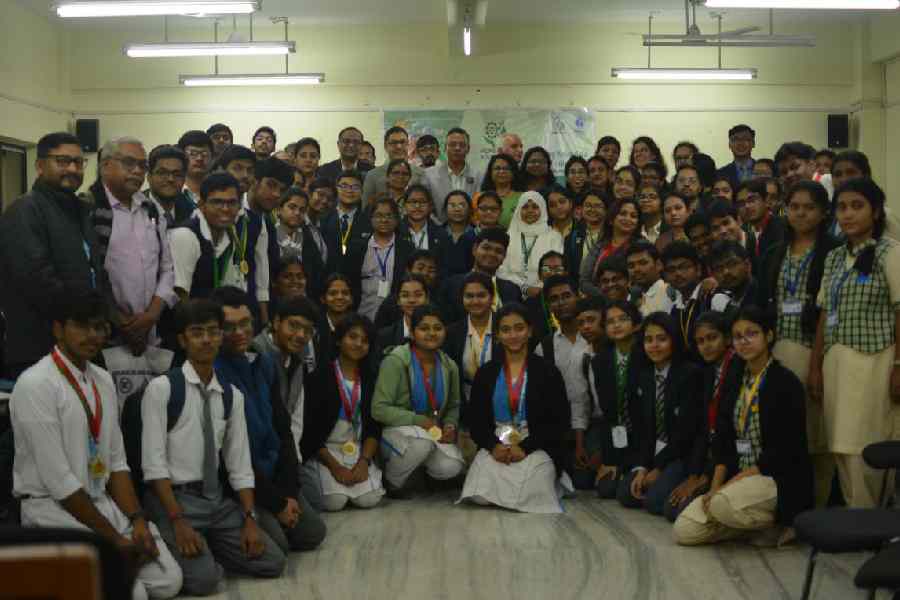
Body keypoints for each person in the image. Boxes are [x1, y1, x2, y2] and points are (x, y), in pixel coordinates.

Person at [11, 291, 182, 600]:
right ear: (58, 329)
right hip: (50, 510)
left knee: (169, 580)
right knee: (136, 593)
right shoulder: (35, 384)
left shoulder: (102, 379)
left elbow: (117, 462)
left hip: (100, 503)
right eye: (82, 326)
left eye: (100, 327)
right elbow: (60, 483)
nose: (93, 335)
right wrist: (114, 540)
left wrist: (137, 520)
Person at [141, 299, 286, 595]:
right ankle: (186, 543)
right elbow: (153, 466)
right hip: (176, 500)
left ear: (221, 336)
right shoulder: (163, 390)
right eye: (197, 332)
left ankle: (212, 545)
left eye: (213, 331)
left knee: (273, 562)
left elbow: (239, 465)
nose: (206, 339)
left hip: (216, 502)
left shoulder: (231, 396)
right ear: (183, 340)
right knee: (204, 582)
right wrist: (177, 520)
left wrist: (248, 518)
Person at [674, 306, 813, 548]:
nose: (744, 341)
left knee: (721, 504)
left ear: (768, 336)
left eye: (752, 333)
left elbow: (783, 453)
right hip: (736, 482)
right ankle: (746, 527)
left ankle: (782, 521)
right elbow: (724, 441)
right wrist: (714, 487)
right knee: (684, 530)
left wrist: (727, 486)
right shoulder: (735, 378)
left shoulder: (785, 383)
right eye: (738, 336)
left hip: (774, 479)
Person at [212, 288, 326, 554]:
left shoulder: (263, 363)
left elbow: (283, 429)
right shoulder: (214, 373)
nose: (239, 332)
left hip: (272, 471)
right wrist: (276, 503)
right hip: (243, 482)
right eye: (229, 326)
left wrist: (287, 492)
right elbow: (232, 458)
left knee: (313, 533)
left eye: (245, 323)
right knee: (280, 547)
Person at [809, 178, 900, 508]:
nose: (847, 215)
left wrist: (899, 367)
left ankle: (871, 519)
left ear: (875, 212)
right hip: (836, 363)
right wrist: (816, 365)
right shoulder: (833, 258)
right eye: (842, 208)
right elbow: (823, 314)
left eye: (857, 206)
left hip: (875, 361)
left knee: (868, 443)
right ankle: (855, 514)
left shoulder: (890, 253)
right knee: (840, 442)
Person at [0, 132, 109, 378]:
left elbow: (95, 272)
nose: (72, 168)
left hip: (82, 340)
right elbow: (38, 280)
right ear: (40, 166)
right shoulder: (24, 210)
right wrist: (82, 322)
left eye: (78, 163)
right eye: (62, 161)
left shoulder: (80, 209)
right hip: (41, 346)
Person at [756, 180, 838, 507]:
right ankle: (788, 506)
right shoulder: (775, 252)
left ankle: (819, 505)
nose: (801, 213)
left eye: (809, 207)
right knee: (786, 435)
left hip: (816, 351)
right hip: (778, 351)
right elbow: (764, 301)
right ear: (785, 210)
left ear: (822, 213)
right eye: (795, 207)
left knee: (817, 434)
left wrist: (816, 364)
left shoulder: (832, 252)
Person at [459, 303, 570, 513]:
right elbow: (477, 422)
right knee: (479, 496)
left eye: (519, 328)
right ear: (498, 335)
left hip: (536, 443)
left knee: (534, 488)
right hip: (497, 442)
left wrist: (525, 447)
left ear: (529, 331)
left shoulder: (548, 371)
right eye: (506, 330)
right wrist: (493, 446)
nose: (513, 335)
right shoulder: (486, 372)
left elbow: (559, 421)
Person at [89, 137, 176, 356]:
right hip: (103, 334)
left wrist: (152, 315)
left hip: (151, 332)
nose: (137, 171)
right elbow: (88, 273)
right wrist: (122, 322)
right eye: (129, 163)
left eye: (142, 165)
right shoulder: (87, 209)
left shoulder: (151, 210)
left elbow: (167, 269)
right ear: (105, 165)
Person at [372, 305, 465, 496]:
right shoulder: (396, 360)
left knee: (453, 466)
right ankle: (392, 482)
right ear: (413, 333)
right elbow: (379, 409)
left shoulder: (450, 366)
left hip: (433, 432)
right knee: (421, 443)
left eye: (437, 328)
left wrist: (449, 425)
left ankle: (419, 475)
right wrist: (418, 421)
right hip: (396, 431)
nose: (431, 333)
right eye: (424, 328)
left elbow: (454, 406)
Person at [616, 312, 702, 515]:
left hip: (681, 452)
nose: (654, 345)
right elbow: (643, 429)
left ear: (674, 340)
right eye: (648, 340)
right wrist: (642, 468)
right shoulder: (644, 376)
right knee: (625, 493)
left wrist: (659, 469)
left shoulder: (689, 374)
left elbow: (686, 433)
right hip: (654, 451)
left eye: (662, 339)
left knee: (654, 503)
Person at [301, 314, 385, 511]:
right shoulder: (318, 378)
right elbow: (310, 432)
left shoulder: (371, 379)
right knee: (334, 502)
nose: (358, 344)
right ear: (339, 340)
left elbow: (374, 427)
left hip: (358, 450)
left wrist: (364, 462)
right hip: (325, 451)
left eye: (365, 341)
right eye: (352, 337)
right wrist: (335, 467)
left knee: (369, 499)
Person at [663, 312, 736, 522]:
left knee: (681, 511)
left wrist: (706, 478)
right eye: (700, 341)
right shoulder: (707, 373)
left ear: (727, 339)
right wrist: (695, 475)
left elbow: (726, 432)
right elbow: (703, 430)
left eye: (712, 338)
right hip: (710, 459)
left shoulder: (736, 370)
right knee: (669, 508)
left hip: (732, 460)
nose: (706, 346)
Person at [578, 300, 642, 497]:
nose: (616, 325)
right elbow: (607, 412)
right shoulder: (600, 361)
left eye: (623, 319)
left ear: (637, 324)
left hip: (644, 435)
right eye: (610, 321)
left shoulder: (647, 354)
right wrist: (610, 460)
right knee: (603, 488)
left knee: (627, 494)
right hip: (616, 432)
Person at [169, 173, 245, 302]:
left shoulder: (228, 235)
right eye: (217, 202)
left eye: (232, 202)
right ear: (201, 204)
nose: (225, 209)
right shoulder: (185, 236)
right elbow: (179, 297)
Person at [342, 196, 414, 321]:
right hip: (361, 315)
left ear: (397, 220)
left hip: (395, 319)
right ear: (371, 219)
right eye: (379, 215)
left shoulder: (407, 249)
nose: (384, 220)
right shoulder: (356, 248)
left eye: (389, 216)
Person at [443, 272, 501, 404]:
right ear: (462, 299)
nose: (475, 301)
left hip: (501, 400)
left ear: (492, 297)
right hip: (464, 403)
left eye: (481, 295)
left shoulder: (505, 326)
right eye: (469, 296)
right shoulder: (452, 332)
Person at [441, 228, 521, 323]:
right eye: (486, 248)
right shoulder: (451, 285)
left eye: (498, 251)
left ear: (504, 257)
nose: (492, 254)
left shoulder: (512, 290)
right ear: (474, 249)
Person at [498, 191, 564, 300]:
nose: (530, 211)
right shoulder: (508, 236)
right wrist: (524, 287)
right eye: (525, 207)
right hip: (510, 292)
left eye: (535, 207)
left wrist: (540, 288)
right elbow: (501, 269)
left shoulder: (554, 237)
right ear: (519, 210)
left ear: (542, 210)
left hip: (544, 292)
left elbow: (556, 268)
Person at [579, 198, 642, 299]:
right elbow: (584, 281)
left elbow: (644, 282)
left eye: (633, 216)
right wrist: (605, 295)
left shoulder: (642, 246)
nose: (628, 219)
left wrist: (621, 294)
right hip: (599, 302)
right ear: (611, 219)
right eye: (623, 214)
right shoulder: (599, 246)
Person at [275, 187, 325, 300]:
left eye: (302, 210)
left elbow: (317, 272)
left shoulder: (307, 237)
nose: (297, 213)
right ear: (279, 209)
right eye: (292, 207)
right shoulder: (269, 234)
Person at [423, 128, 482, 225]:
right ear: (445, 148)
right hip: (438, 231)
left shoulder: (479, 176)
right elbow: (426, 207)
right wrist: (440, 228)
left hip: (471, 232)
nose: (457, 148)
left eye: (462, 145)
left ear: (468, 149)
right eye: (452, 144)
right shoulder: (428, 175)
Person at [373, 250, 438, 331]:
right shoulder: (391, 303)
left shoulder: (440, 302)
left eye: (431, 270)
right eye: (420, 268)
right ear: (408, 270)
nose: (425, 273)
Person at [362, 127, 426, 208]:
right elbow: (365, 208)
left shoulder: (420, 173)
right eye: (393, 143)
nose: (399, 146)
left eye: (402, 142)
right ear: (385, 146)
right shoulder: (373, 175)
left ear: (408, 145)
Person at [321, 170, 370, 272]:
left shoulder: (369, 221)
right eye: (344, 186)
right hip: (327, 279)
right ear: (335, 189)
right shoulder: (323, 219)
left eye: (355, 187)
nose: (349, 190)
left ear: (362, 191)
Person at [661, 241, 706, 352]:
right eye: (671, 270)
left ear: (698, 269)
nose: (678, 273)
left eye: (684, 267)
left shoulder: (711, 296)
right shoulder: (672, 308)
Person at [399, 184, 451, 274]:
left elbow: (445, 267)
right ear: (404, 206)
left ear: (430, 206)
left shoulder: (441, 234)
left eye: (422, 202)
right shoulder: (396, 232)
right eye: (412, 202)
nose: (417, 206)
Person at [375, 274, 430, 358]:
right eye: (405, 295)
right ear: (398, 301)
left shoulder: (438, 334)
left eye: (418, 295)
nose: (412, 300)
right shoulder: (385, 336)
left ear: (427, 299)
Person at [735, 179, 786, 260]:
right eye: (741, 203)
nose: (747, 206)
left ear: (766, 201)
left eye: (752, 200)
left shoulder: (783, 227)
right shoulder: (745, 234)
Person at [145, 145, 195, 228]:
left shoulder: (192, 211)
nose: (170, 179)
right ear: (149, 176)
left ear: (184, 178)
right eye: (162, 173)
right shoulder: (135, 208)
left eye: (177, 174)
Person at [523, 251, 567, 345]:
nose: (552, 273)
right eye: (546, 269)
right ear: (539, 275)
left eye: (558, 269)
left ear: (565, 273)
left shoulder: (576, 301)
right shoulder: (529, 306)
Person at [708, 241, 758, 314]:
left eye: (732, 264)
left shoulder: (761, 298)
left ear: (747, 264)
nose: (726, 272)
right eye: (719, 268)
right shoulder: (724, 301)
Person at [625, 241, 672, 317]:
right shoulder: (630, 298)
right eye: (631, 266)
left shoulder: (670, 293)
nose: (636, 269)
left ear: (658, 265)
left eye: (643, 263)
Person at [565, 192, 607, 277]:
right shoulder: (572, 237)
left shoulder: (612, 235)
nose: (592, 209)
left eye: (597, 206)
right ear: (582, 209)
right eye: (588, 205)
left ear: (606, 210)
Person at [317, 273, 355, 366]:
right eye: (333, 293)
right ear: (323, 298)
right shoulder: (315, 327)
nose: (339, 297)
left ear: (351, 299)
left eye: (345, 293)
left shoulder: (357, 326)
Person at [476, 153, 522, 229]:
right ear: (490, 172)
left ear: (513, 172)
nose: (501, 171)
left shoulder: (523, 197)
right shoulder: (478, 197)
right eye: (497, 168)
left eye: (506, 168)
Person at [177, 131, 214, 207]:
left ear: (212, 158)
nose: (199, 158)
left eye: (204, 154)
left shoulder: (219, 192)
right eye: (192, 153)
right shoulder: (173, 191)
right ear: (181, 157)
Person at [443, 190, 476, 276]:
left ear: (470, 209)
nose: (457, 209)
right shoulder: (437, 234)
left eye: (462, 205)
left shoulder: (477, 234)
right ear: (445, 209)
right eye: (452, 205)